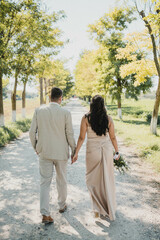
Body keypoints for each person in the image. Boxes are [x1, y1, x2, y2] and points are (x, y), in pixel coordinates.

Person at [29, 87, 76, 224]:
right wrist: (74, 151)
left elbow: (32, 133)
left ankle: (45, 213)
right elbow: (70, 134)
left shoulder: (39, 110)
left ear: (50, 97)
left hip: (44, 152)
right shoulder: (66, 113)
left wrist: (36, 147)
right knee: (62, 179)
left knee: (44, 182)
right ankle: (61, 206)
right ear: (60, 98)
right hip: (61, 153)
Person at [72, 95, 120, 221]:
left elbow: (82, 137)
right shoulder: (108, 119)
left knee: (92, 180)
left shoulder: (86, 118)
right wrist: (117, 151)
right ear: (103, 105)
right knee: (106, 179)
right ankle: (107, 207)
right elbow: (113, 137)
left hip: (92, 151)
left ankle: (97, 209)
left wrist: (76, 152)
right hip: (106, 150)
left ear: (91, 104)